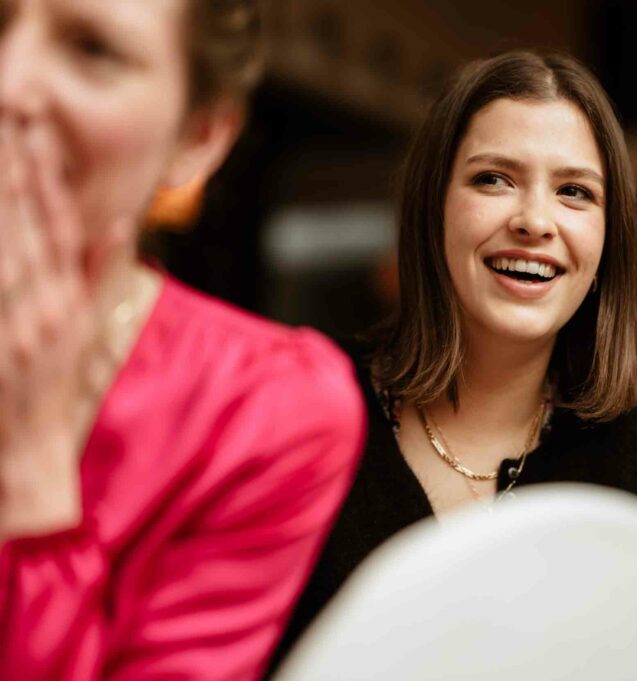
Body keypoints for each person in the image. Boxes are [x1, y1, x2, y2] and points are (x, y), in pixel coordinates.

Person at [267, 49, 637, 668]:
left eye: (575, 191)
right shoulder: (308, 400)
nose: (535, 221)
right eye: (494, 179)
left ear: (608, 236)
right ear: (434, 206)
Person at [0, 1, 365, 678]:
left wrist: (31, 463)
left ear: (200, 137)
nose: (8, 82)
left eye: (93, 49)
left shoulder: (263, 407)